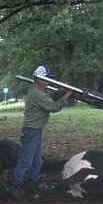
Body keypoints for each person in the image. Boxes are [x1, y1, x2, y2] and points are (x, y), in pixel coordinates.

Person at [13, 65, 73, 194]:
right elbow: (53, 107)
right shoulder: (36, 93)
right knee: (26, 161)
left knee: (37, 161)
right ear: (38, 79)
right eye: (46, 80)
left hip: (36, 130)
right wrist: (67, 95)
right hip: (31, 131)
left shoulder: (39, 91)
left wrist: (62, 91)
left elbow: (50, 97)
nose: (48, 82)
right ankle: (17, 185)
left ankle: (32, 182)